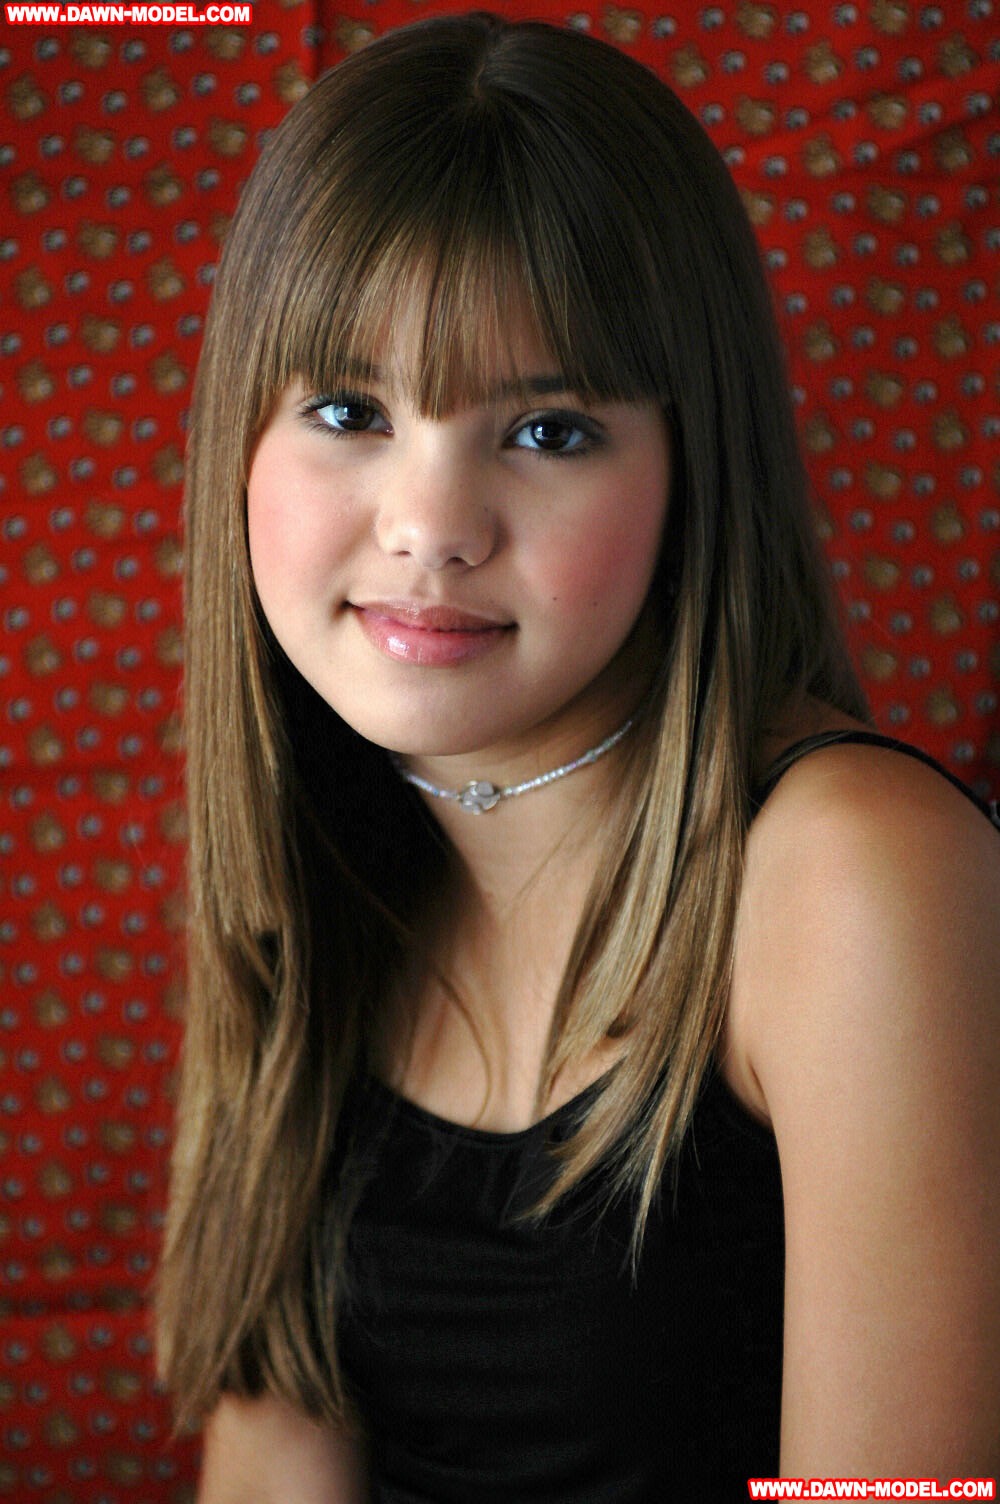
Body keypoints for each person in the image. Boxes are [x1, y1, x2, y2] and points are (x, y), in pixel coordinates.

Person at [155, 13, 1000, 1500]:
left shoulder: (853, 872)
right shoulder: (331, 849)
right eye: (349, 411)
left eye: (547, 431)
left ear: (691, 468)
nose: (431, 528)